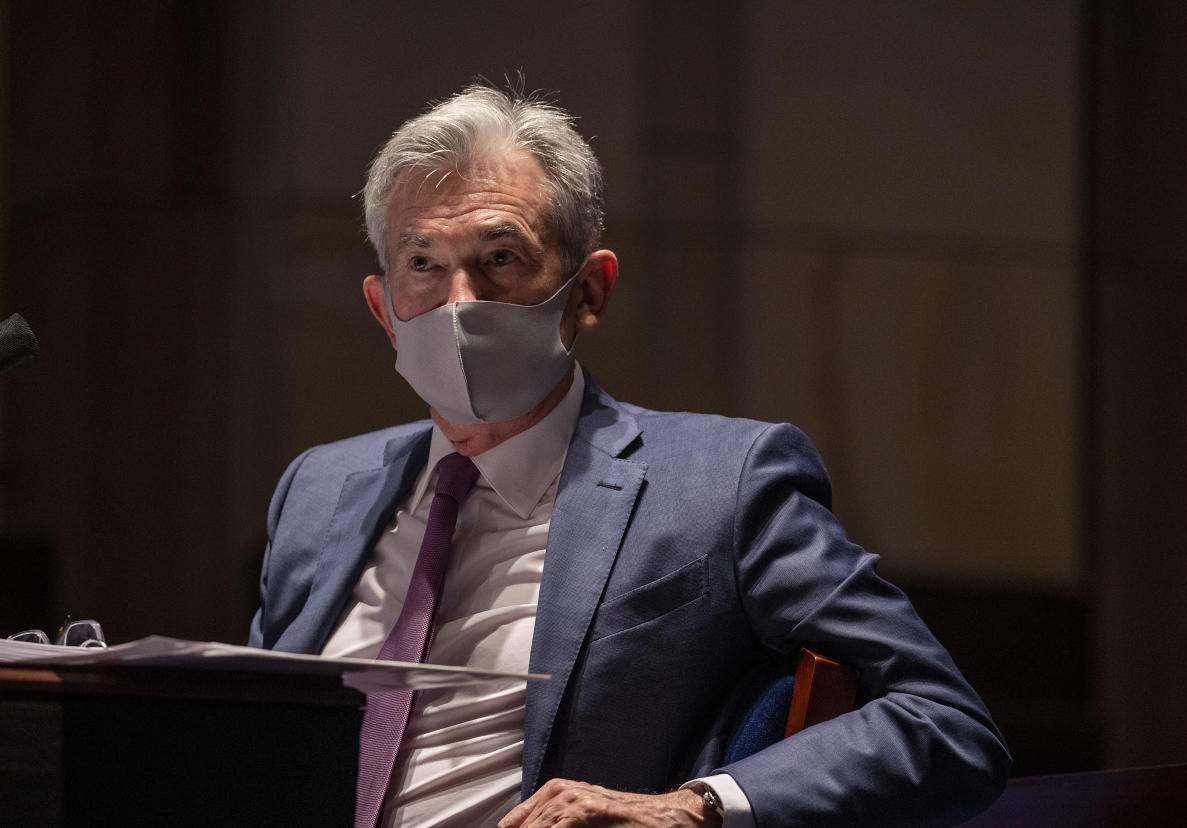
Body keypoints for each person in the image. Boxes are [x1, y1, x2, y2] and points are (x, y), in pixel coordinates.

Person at [249, 83, 1010, 828]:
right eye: (422, 263)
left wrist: (695, 806)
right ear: (384, 307)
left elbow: (944, 723)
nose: (457, 302)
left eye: (501, 257)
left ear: (588, 292)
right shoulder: (319, 489)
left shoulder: (722, 481)